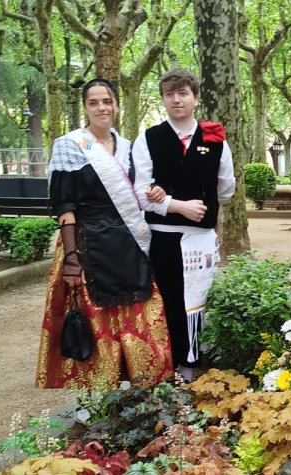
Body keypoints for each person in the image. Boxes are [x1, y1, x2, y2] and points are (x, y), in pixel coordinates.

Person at [36, 78, 173, 389]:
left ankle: (140, 387)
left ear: (116, 106)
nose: (101, 108)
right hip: (86, 245)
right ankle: (100, 393)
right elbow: (65, 206)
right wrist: (71, 258)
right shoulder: (69, 146)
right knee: (95, 320)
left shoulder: (129, 147)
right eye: (94, 102)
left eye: (107, 101)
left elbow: (139, 192)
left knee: (139, 314)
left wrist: (157, 192)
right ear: (85, 108)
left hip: (126, 243)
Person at [132, 68, 235, 382]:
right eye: (169, 94)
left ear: (195, 98)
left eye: (183, 93)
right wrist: (178, 206)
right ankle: (166, 367)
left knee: (198, 301)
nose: (176, 100)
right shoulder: (148, 138)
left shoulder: (215, 139)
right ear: (163, 99)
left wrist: (200, 210)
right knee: (167, 301)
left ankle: (192, 367)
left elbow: (226, 187)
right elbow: (141, 193)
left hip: (201, 238)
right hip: (163, 237)